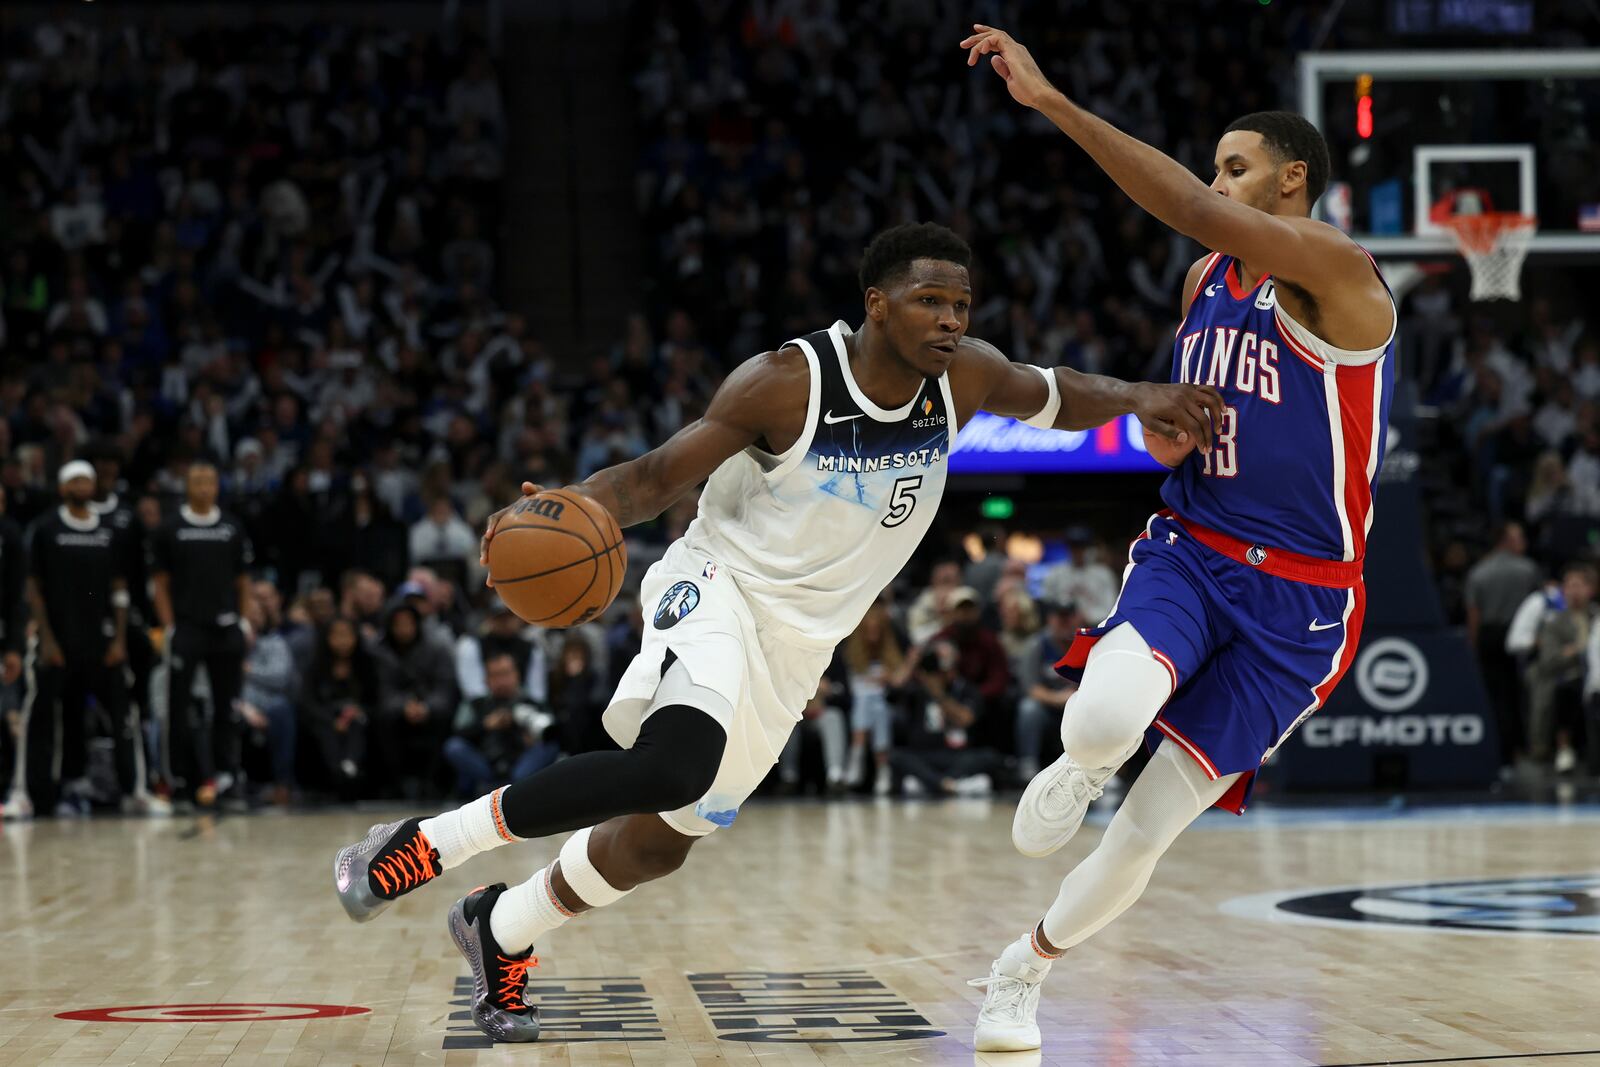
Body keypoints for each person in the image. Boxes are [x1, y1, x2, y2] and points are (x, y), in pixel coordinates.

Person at [332, 221, 1222, 1042]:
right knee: (673, 763)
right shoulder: (786, 382)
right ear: (876, 304)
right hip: (720, 586)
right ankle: (420, 844)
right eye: (928, 301)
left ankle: (500, 925)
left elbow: (1056, 395)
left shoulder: (966, 376)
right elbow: (650, 478)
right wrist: (567, 505)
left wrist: (1139, 394)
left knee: (656, 842)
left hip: (801, 646)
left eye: (960, 304)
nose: (950, 319)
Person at [958, 27, 1396, 1054]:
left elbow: (1188, 211)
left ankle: (1021, 968)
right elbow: (1205, 409)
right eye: (1211, 168)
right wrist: (1166, 423)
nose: (1213, 185)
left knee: (1146, 831)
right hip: (1194, 548)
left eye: (1233, 168)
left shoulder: (1337, 270)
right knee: (1107, 716)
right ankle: (1079, 759)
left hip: (1305, 604)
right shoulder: (1207, 282)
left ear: (1292, 181)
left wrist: (1055, 103)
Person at [14, 461, 136, 818]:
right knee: (46, 716)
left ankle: (133, 788)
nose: (82, 486)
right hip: (58, 639)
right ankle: (33, 792)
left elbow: (119, 588)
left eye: (87, 480)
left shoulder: (109, 530)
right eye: (75, 480)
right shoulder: (46, 528)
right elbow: (33, 587)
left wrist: (120, 639)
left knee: (120, 712)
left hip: (102, 640)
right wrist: (47, 638)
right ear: (63, 487)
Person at [151, 459, 254, 808]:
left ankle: (227, 777)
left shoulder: (231, 527)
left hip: (226, 628)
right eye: (197, 480)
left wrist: (243, 619)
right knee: (178, 707)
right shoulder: (171, 528)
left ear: (217, 485)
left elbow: (243, 581)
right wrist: (169, 626)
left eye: (209, 480)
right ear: (186, 485)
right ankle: (179, 780)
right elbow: (160, 583)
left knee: (227, 707)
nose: (204, 486)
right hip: (187, 628)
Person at [1465, 522, 1544, 767]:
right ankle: (1524, 747)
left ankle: (1501, 750)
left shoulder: (1479, 572)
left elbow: (1474, 615)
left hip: (1490, 636)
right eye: (1519, 537)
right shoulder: (1529, 569)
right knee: (1520, 692)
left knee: (1495, 694)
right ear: (1504, 540)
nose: (1524, 542)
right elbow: (1541, 606)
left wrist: (1473, 646)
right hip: (1522, 636)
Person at [445, 651, 558, 797]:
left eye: (505, 674)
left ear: (517, 675)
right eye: (495, 675)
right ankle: (494, 785)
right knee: (454, 746)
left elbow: (552, 731)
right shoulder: (475, 704)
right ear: (486, 680)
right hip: (486, 764)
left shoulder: (532, 703)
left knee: (549, 745)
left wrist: (529, 735)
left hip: (522, 765)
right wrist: (485, 726)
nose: (501, 681)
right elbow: (457, 732)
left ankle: (515, 786)